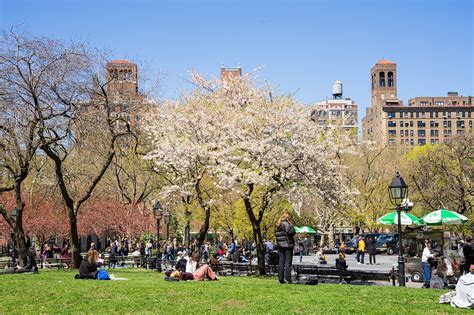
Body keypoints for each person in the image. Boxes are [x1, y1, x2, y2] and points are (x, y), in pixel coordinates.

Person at [275, 212, 295, 284]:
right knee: (288, 262)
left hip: (280, 245)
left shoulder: (278, 225)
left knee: (281, 262)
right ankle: (288, 279)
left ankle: (280, 278)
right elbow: (292, 232)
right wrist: (291, 225)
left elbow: (277, 235)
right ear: (288, 217)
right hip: (288, 245)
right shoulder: (287, 224)